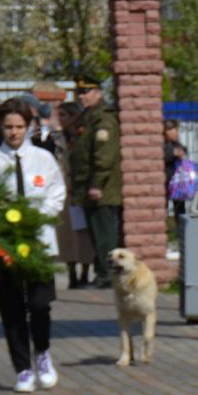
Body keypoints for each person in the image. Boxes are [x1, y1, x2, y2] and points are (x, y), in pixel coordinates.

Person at [0, 98, 68, 392]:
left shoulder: (43, 158)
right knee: (11, 306)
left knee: (39, 303)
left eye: (19, 127)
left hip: (37, 239)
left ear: (29, 127)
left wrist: (37, 216)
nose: (13, 133)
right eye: (8, 127)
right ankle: (22, 367)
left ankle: (42, 352)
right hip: (5, 242)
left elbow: (56, 193)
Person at [73, 78, 123, 288]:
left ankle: (106, 276)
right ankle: (102, 273)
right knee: (96, 233)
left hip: (101, 188)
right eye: (79, 92)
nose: (82, 96)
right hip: (87, 185)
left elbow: (104, 155)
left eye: (87, 92)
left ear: (99, 93)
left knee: (104, 235)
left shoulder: (103, 119)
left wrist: (96, 184)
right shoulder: (88, 117)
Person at [53, 101, 95, 289]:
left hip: (81, 189)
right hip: (63, 190)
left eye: (63, 116)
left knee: (83, 234)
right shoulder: (57, 138)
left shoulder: (83, 136)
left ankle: (85, 272)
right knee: (66, 235)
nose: (59, 120)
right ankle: (71, 272)